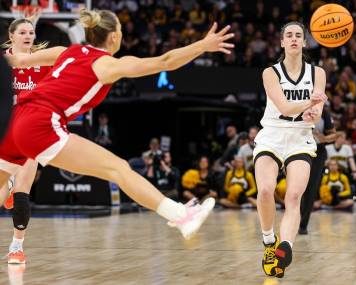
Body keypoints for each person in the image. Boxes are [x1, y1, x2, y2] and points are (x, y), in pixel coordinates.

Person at [1, 9, 234, 246]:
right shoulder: (107, 65)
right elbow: (165, 61)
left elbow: (17, 60)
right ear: (113, 36)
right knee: (118, 169)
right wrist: (203, 45)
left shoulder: (67, 51)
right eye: (121, 31)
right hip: (41, 122)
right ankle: (182, 216)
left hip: (16, 118)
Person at [252, 21, 327, 278]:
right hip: (272, 134)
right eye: (289, 35)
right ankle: (268, 241)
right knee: (264, 190)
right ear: (282, 42)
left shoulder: (318, 73)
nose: (294, 38)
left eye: (299, 35)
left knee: (294, 196)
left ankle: (285, 247)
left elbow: (316, 113)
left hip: (300, 137)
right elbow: (284, 107)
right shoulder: (270, 73)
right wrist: (312, 102)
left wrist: (315, 112)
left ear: (304, 42)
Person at [0, 16, 51, 264]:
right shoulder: (4, 63)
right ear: (11, 36)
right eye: (22, 32)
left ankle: (16, 247)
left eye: (31, 32)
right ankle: (7, 185)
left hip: (29, 133)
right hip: (2, 132)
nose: (28, 36)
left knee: (22, 193)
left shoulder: (45, 63)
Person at [299, 106, 336, 235]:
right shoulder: (297, 107)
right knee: (297, 187)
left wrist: (324, 139)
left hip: (318, 152)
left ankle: (303, 224)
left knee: (311, 188)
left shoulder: (324, 112)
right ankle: (293, 218)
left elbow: (334, 135)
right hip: (299, 150)